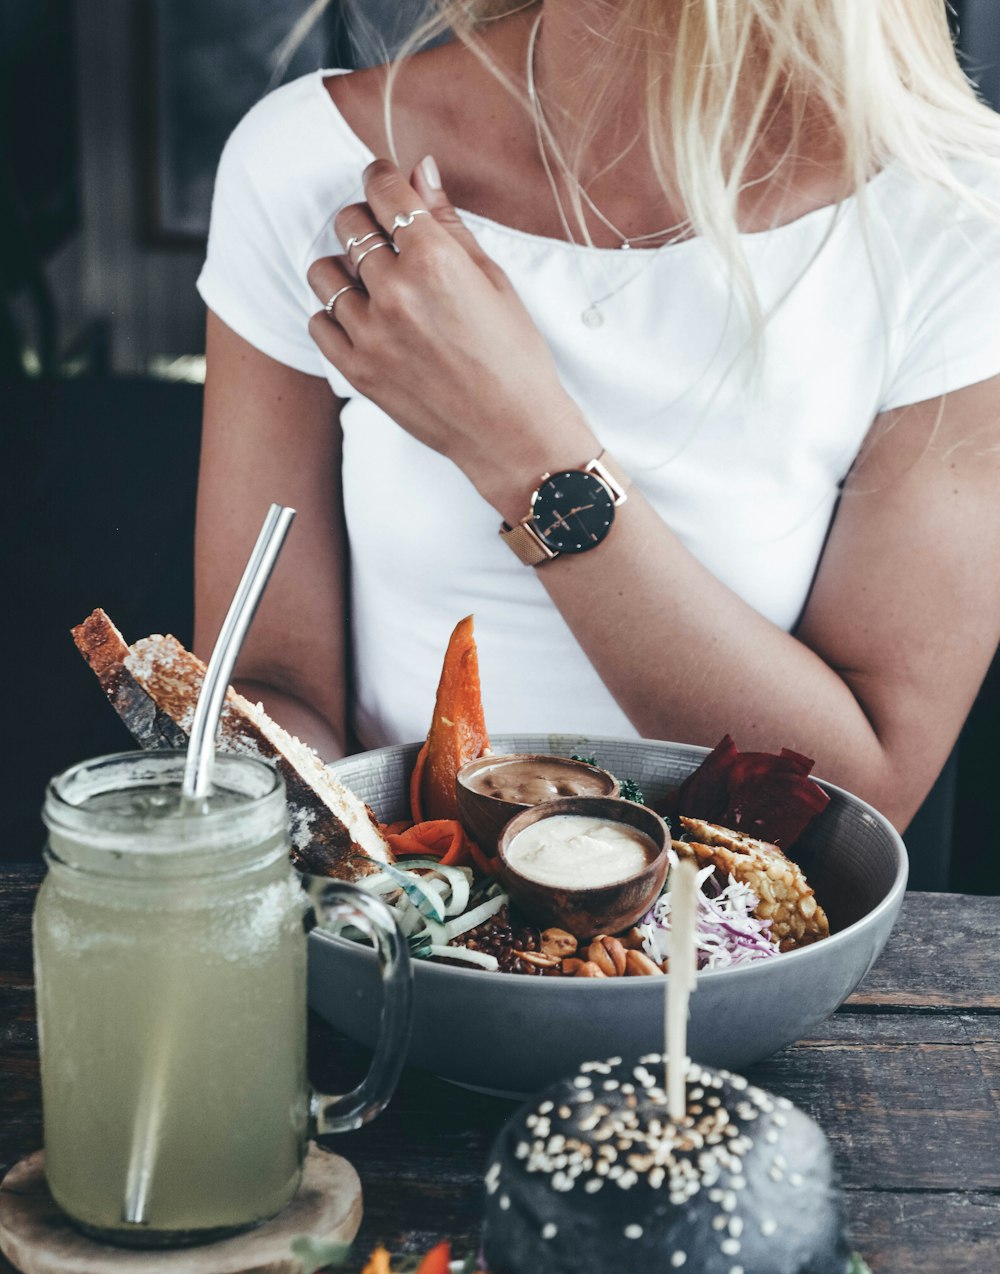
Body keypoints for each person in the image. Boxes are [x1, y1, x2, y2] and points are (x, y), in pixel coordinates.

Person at [194, 0, 1000, 832]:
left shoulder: (954, 214)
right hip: (392, 921)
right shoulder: (303, 162)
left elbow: (856, 805)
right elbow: (267, 684)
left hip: (731, 941)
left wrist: (518, 446)